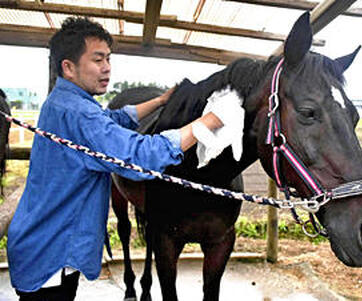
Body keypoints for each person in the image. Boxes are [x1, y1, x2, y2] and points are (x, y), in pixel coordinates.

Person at [6, 17, 233, 301]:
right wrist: (210, 120)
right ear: (69, 67)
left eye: (109, 59)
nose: (107, 68)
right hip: (52, 253)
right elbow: (142, 157)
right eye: (98, 59)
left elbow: (113, 118)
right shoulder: (79, 113)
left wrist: (161, 101)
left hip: (41, 243)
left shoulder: (64, 102)